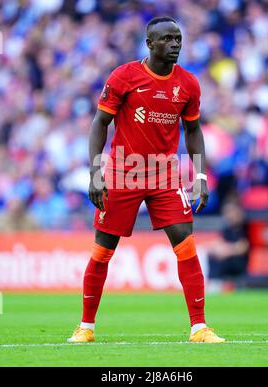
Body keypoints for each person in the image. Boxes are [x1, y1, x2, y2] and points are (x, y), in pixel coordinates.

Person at [68, 17, 225, 344]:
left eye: (178, 38)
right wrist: (96, 173)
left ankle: (199, 328)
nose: (175, 44)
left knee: (186, 243)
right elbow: (100, 124)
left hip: (165, 173)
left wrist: (199, 175)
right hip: (124, 172)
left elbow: (193, 132)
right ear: (150, 44)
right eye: (167, 39)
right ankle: (86, 327)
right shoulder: (124, 76)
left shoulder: (189, 84)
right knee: (102, 252)